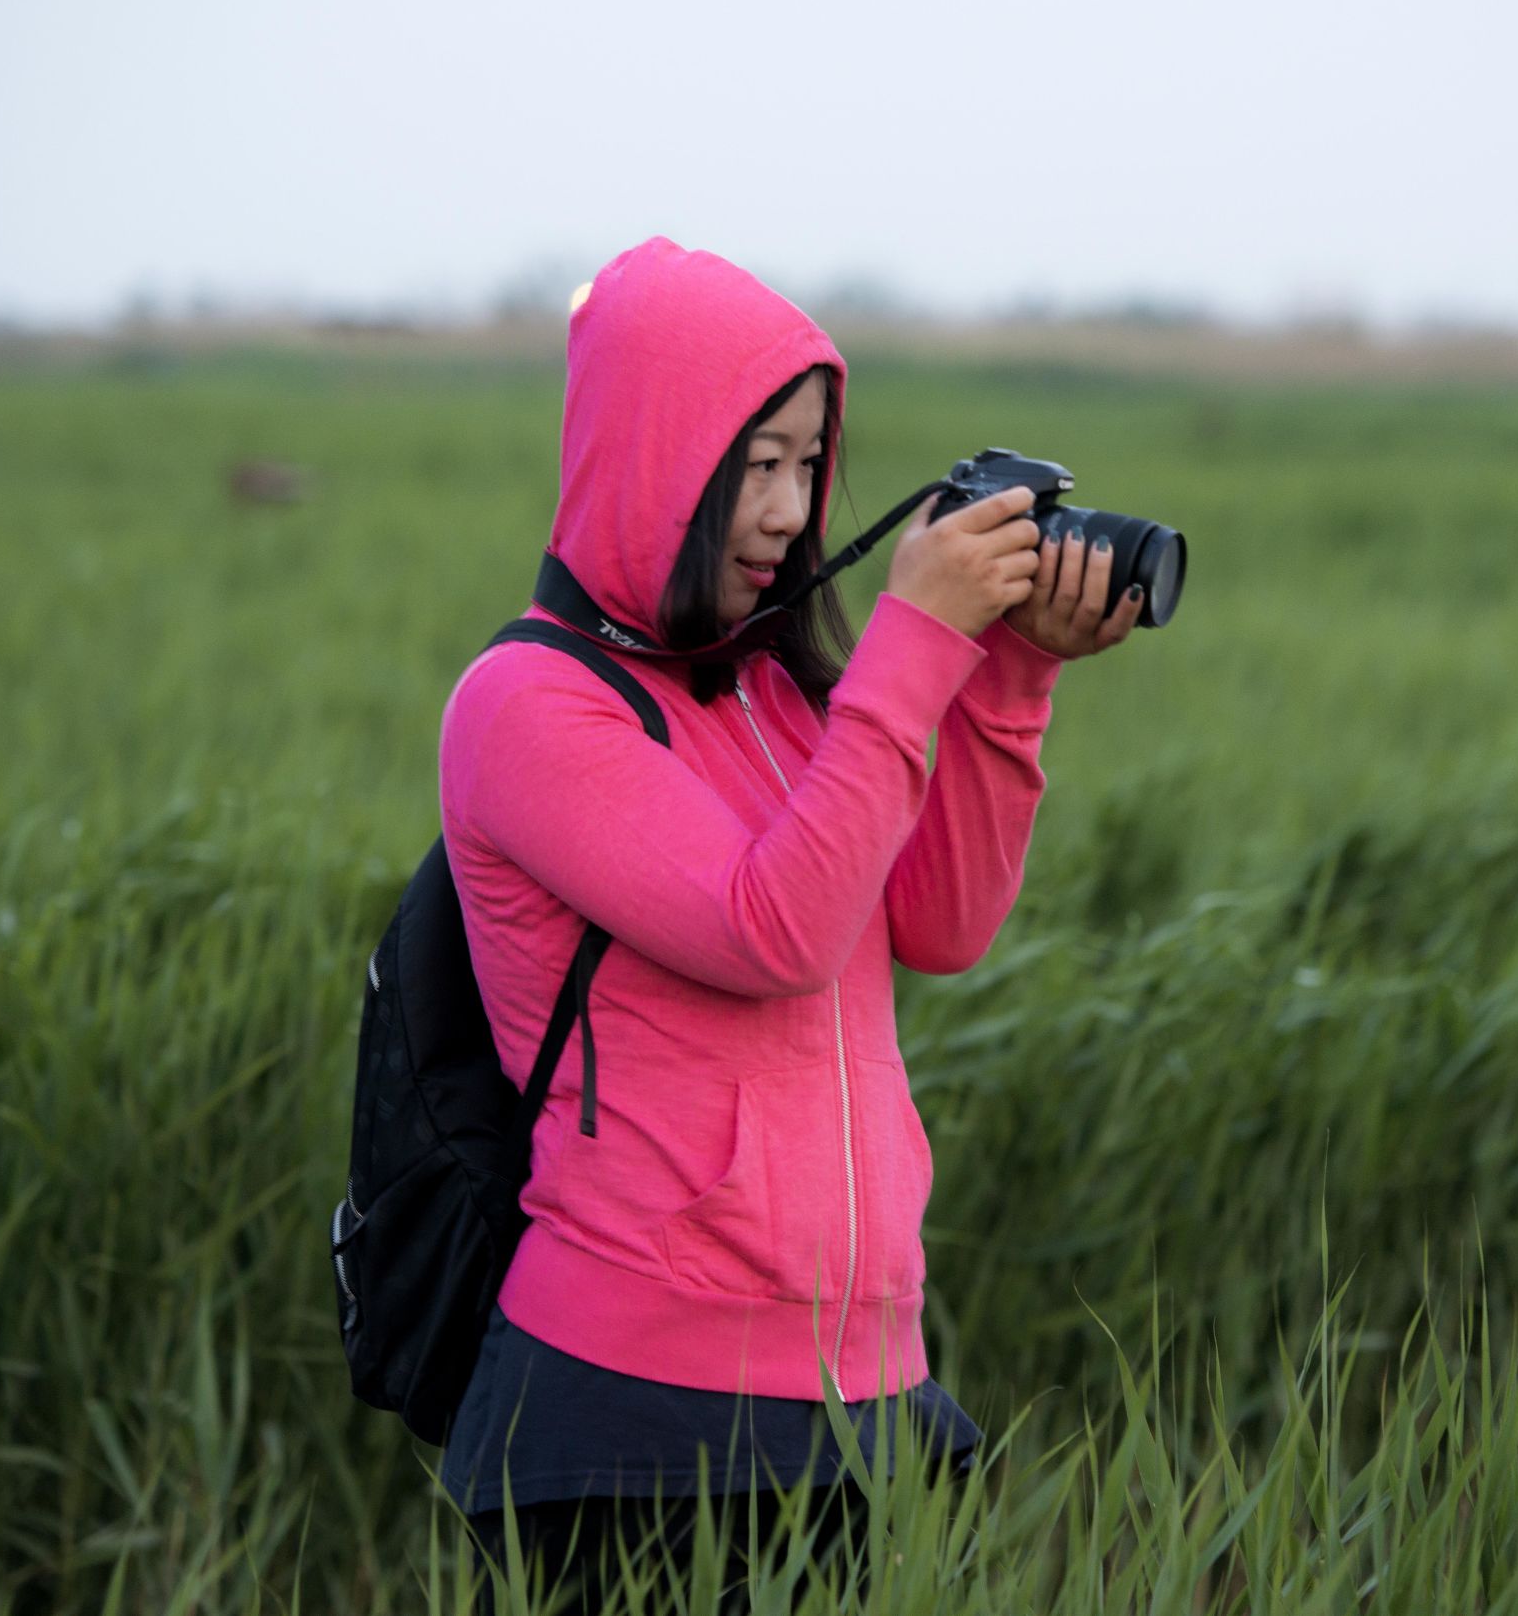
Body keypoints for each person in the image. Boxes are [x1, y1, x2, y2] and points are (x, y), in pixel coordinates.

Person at [435, 237, 1140, 1610]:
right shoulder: (529, 707)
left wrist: (1011, 675)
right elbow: (775, 929)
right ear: (650, 456)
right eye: (750, 462)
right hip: (633, 1405)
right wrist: (914, 639)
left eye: (809, 461)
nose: (785, 506)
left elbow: (935, 921)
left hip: (865, 1383)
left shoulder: (777, 697)